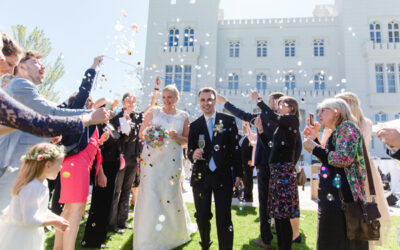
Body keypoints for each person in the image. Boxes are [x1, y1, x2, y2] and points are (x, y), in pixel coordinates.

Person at [0, 51, 92, 210]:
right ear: (21, 67)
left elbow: (31, 122)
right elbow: (51, 112)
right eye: (36, 62)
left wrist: (48, 134)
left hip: (18, 166)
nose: (42, 66)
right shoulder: (21, 84)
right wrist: (90, 115)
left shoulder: (25, 89)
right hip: (11, 166)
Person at [216, 92, 283, 249]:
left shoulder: (267, 117)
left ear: (275, 102)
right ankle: (282, 235)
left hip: (265, 165)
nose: (267, 103)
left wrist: (225, 102)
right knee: (278, 202)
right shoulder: (284, 121)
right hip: (278, 164)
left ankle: (266, 239)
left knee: (265, 201)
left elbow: (243, 114)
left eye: (269, 100)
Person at [133, 84, 196, 249]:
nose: (167, 100)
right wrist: (153, 137)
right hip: (151, 159)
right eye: (164, 97)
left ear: (177, 98)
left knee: (170, 193)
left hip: (172, 161)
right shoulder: (153, 112)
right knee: (151, 192)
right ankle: (148, 237)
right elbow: (141, 133)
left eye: (170, 97)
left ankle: (173, 233)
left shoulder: (184, 116)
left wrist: (177, 136)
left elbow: (187, 141)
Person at [303, 98, 368, 250]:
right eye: (318, 111)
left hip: (342, 198)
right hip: (334, 195)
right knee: (331, 239)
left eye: (323, 110)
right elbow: (331, 160)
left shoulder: (347, 127)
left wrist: (315, 148)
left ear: (337, 111)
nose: (319, 114)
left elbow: (343, 159)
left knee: (339, 240)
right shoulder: (338, 131)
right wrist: (316, 141)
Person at [188, 87, 242, 250]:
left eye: (210, 99)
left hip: (223, 176)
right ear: (199, 102)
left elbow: (235, 149)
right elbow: (189, 149)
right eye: (203, 100)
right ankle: (205, 243)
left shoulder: (227, 121)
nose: (206, 103)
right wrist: (193, 153)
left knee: (224, 217)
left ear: (215, 100)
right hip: (201, 176)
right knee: (202, 215)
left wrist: (238, 173)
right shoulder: (195, 125)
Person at [336, 92, 391, 248]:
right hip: (366, 169)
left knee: (348, 208)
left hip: (351, 170)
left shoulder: (344, 126)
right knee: (365, 210)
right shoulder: (366, 123)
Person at [252, 91, 301, 250]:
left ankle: (285, 246)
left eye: (282, 104)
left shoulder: (292, 121)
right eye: (278, 104)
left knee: (283, 216)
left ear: (292, 108)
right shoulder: (281, 127)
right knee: (279, 216)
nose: (278, 107)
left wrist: (259, 101)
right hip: (276, 173)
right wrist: (260, 131)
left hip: (284, 173)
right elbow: (270, 147)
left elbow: (274, 117)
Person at [0, 143, 69, 250]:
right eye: (59, 163)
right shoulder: (31, 188)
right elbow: (29, 221)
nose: (61, 167)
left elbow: (40, 209)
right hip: (20, 237)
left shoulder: (42, 183)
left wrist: (56, 218)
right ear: (48, 165)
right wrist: (54, 222)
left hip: (30, 234)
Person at [239, 121, 254, 202]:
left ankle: (249, 196)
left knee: (248, 180)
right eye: (243, 126)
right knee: (244, 180)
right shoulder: (243, 137)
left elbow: (253, 148)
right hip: (242, 161)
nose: (243, 127)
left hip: (248, 162)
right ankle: (245, 195)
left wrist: (251, 159)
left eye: (245, 126)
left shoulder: (250, 137)